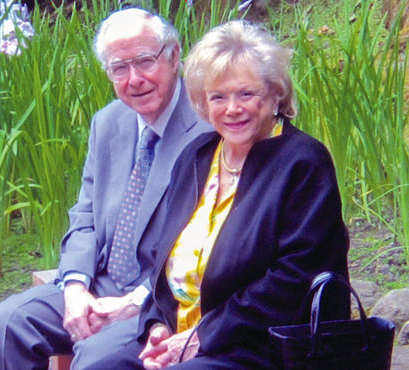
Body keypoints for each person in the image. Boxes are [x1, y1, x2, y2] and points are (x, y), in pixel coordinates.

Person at [83, 19, 351, 370]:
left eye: (246, 94)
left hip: (262, 346)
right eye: (218, 97)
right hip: (185, 338)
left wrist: (201, 337)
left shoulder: (302, 162)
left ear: (275, 94)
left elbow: (294, 281)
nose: (232, 109)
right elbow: (161, 262)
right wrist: (157, 328)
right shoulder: (197, 156)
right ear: (202, 103)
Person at [0, 8, 212, 370]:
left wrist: (134, 303)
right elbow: (85, 215)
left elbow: (205, 243)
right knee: (7, 324)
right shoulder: (108, 122)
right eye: (120, 67)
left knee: (96, 358)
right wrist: (75, 288)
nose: (134, 79)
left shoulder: (208, 128)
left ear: (174, 56)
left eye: (145, 61)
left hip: (165, 298)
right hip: (101, 284)